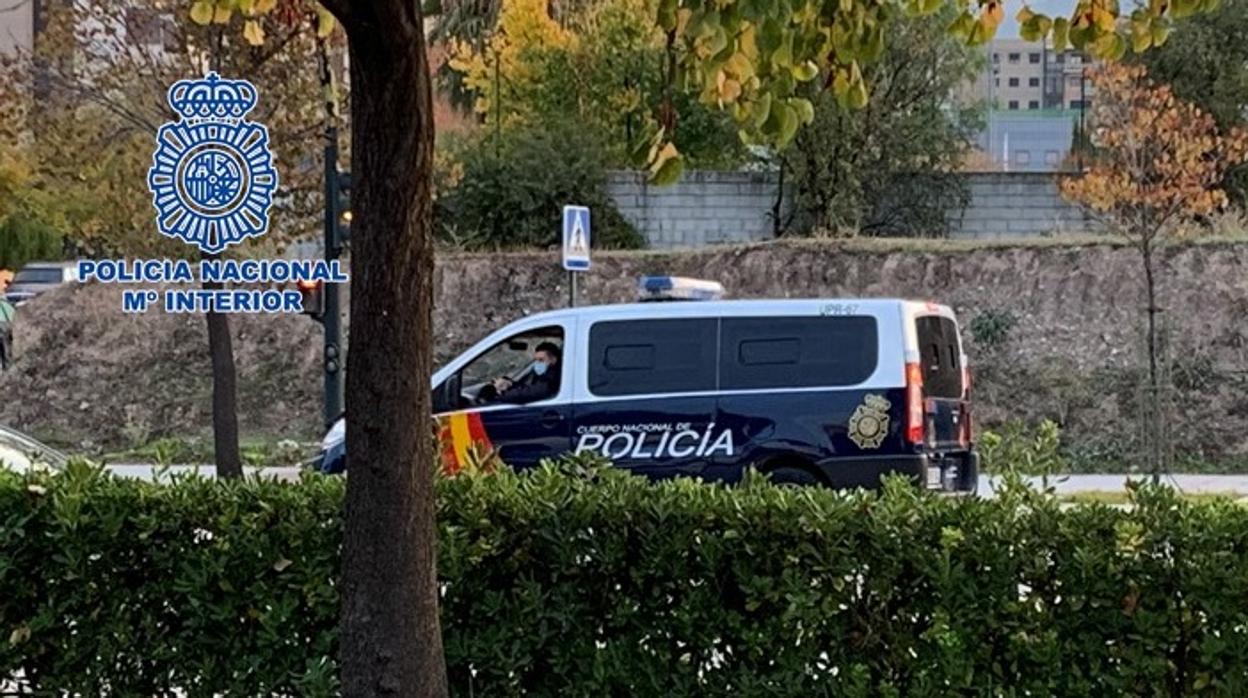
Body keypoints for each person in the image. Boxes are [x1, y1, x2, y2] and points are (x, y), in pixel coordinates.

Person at [493, 341, 561, 404]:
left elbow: (528, 394)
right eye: (536, 360)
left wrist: (501, 395)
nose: (538, 363)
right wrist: (510, 384)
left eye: (541, 360)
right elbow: (529, 388)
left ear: (554, 359)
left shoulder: (554, 377)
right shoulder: (543, 375)